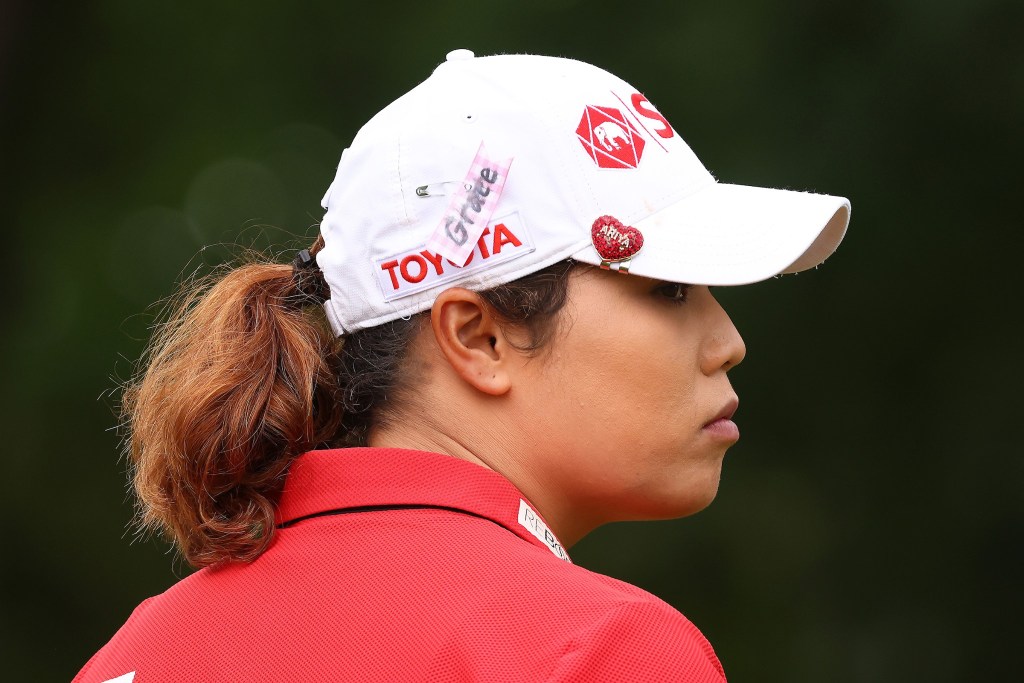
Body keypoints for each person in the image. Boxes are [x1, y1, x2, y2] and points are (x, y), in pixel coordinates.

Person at [74, 50, 850, 682]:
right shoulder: (595, 650)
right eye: (668, 289)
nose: (727, 341)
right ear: (477, 337)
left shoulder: (131, 655)